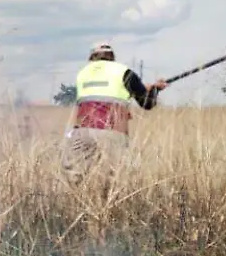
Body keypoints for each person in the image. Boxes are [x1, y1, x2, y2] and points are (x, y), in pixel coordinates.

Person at [61, 41, 167, 178]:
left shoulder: (82, 74)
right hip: (113, 131)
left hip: (83, 132)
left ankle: (79, 199)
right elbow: (147, 103)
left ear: (92, 57)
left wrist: (140, 89)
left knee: (75, 175)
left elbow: (101, 92)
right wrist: (155, 90)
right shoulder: (124, 72)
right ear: (112, 56)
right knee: (117, 177)